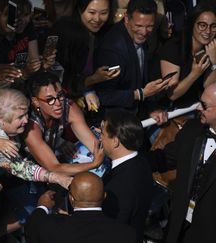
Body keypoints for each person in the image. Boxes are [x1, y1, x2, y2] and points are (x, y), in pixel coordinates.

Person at [0, 88, 74, 189]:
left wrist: (59, 141)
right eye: (20, 117)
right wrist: (57, 178)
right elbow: (22, 168)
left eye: (26, 114)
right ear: (0, 119)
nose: (26, 120)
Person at [94, 0, 170, 123]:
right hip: (116, 122)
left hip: (139, 114)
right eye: (138, 26)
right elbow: (104, 96)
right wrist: (140, 94)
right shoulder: (112, 49)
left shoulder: (141, 38)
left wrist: (152, 108)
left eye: (149, 26)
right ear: (127, 19)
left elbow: (141, 81)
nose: (144, 32)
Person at [161, 83, 216, 243]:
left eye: (204, 105)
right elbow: (167, 158)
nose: (198, 107)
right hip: (178, 224)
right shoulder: (192, 129)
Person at [24, 71, 104, 176]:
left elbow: (94, 145)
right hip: (29, 169)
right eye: (50, 100)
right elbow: (53, 168)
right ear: (35, 101)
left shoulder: (68, 107)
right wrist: (94, 164)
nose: (58, 103)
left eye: (60, 95)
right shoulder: (31, 126)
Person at [25, 171, 136, 243]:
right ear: (104, 196)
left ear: (71, 199)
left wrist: (42, 207)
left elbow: (32, 228)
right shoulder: (127, 234)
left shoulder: (51, 227)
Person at [52, 0, 120, 109]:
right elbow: (60, 81)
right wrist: (91, 82)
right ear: (80, 9)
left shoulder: (108, 34)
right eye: (92, 12)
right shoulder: (66, 32)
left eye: (103, 13)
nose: (97, 19)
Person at [99, 109, 153, 243]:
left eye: (102, 134)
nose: (100, 138)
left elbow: (111, 229)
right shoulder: (141, 162)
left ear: (115, 141)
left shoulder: (119, 184)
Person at [159, 2, 216, 108]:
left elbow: (209, 87)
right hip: (168, 111)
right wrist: (195, 73)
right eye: (202, 25)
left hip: (194, 108)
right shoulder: (173, 47)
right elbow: (172, 94)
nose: (208, 31)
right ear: (192, 24)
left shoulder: (212, 49)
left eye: (213, 26)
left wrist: (214, 63)